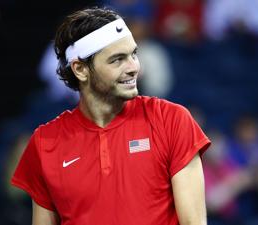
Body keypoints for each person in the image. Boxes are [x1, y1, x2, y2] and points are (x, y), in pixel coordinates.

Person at [11, 6, 211, 225]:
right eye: (117, 59)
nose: (134, 67)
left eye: (134, 54)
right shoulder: (44, 143)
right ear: (80, 69)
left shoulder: (172, 120)